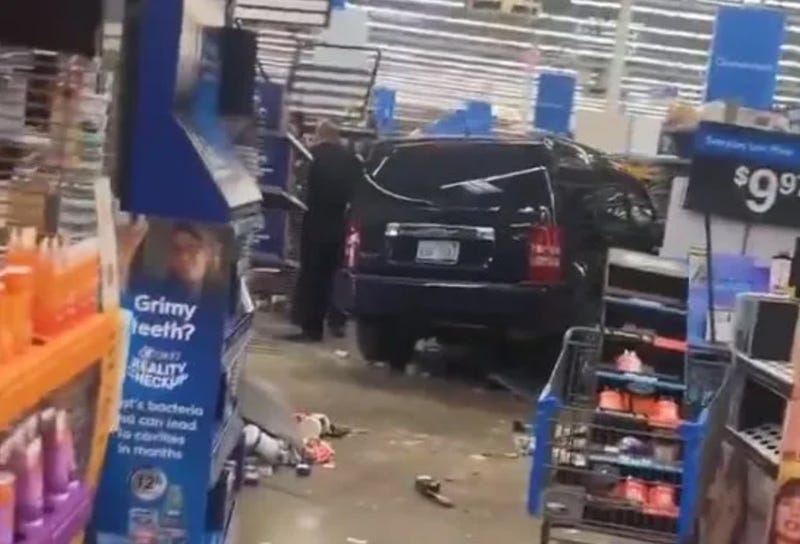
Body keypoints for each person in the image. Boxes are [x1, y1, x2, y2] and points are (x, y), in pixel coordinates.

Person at [288, 120, 361, 342]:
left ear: (319, 135)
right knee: (336, 275)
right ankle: (337, 322)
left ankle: (311, 328)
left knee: (312, 275)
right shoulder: (352, 160)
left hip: (314, 221)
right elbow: (358, 193)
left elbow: (298, 187)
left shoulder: (311, 155)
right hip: (342, 224)